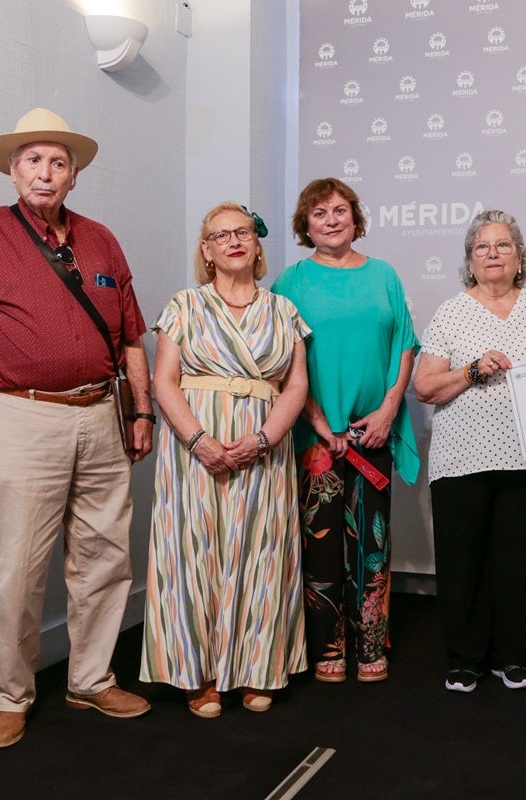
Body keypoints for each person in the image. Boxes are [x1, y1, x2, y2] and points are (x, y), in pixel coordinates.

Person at [0, 108, 154, 749]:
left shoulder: (101, 239)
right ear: (14, 172)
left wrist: (142, 410)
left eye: (57, 162)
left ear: (73, 177)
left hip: (102, 413)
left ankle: (92, 679)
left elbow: (131, 337)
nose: (44, 172)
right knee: (15, 566)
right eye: (32, 160)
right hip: (21, 413)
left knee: (105, 557)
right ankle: (11, 694)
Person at [140, 203, 309, 716]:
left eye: (243, 232)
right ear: (207, 251)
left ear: (256, 245)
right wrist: (198, 440)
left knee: (262, 553)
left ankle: (258, 668)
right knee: (194, 556)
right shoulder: (184, 305)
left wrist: (263, 439)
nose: (233, 240)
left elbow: (296, 384)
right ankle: (200, 675)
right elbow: (163, 381)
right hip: (195, 450)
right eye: (220, 235)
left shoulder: (284, 311)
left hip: (264, 449)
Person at [272, 178, 420, 684]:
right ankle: (328, 645)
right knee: (320, 541)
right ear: (304, 224)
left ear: (355, 218)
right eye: (319, 213)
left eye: (340, 210)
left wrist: (387, 410)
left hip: (372, 432)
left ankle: (371, 642)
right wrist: (317, 421)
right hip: (316, 438)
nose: (331, 220)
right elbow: (282, 363)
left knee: (372, 541)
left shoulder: (384, 276)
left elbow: (404, 345)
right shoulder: (290, 282)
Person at [414, 210, 526, 693]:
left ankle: (515, 657)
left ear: (521, 256)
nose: (493, 254)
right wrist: (473, 371)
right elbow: (424, 387)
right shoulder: (451, 312)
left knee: (518, 563)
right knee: (462, 565)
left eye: (503, 246)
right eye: (482, 247)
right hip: (461, 459)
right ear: (469, 259)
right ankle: (464, 659)